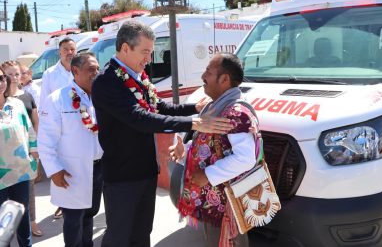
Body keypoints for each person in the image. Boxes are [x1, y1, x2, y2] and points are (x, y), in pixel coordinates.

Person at [91, 20, 233, 247]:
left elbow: (159, 109)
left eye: (151, 52)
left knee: (142, 234)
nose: (149, 59)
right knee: (119, 237)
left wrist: (193, 108)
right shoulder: (107, 82)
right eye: (145, 52)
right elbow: (140, 119)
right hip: (122, 177)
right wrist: (194, 123)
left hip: (146, 172)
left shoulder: (138, 78)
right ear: (126, 48)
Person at [170, 53, 260, 247]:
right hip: (213, 205)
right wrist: (184, 151)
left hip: (227, 206)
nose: (203, 76)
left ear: (225, 79)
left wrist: (208, 175)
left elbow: (246, 158)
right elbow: (208, 147)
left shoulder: (237, 113)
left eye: (208, 72)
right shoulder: (215, 107)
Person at [37, 52, 103, 247]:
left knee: (89, 214)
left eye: (97, 69)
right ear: (75, 70)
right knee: (74, 220)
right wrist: (54, 169)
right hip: (70, 171)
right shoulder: (57, 98)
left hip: (97, 169)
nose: (96, 73)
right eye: (91, 69)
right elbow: (45, 139)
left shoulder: (99, 97)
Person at [1, 61, 43, 237]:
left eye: (2, 77)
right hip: (1, 176)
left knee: (22, 217)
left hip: (20, 171)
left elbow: (30, 132)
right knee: (4, 224)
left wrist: (34, 158)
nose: (2, 81)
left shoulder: (16, 104)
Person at [39, 37, 77, 220]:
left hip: (80, 127)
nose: (69, 52)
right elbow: (44, 104)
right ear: (59, 52)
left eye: (72, 49)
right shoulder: (50, 74)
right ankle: (63, 204)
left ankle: (77, 201)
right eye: (66, 49)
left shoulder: (81, 70)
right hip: (59, 129)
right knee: (61, 165)